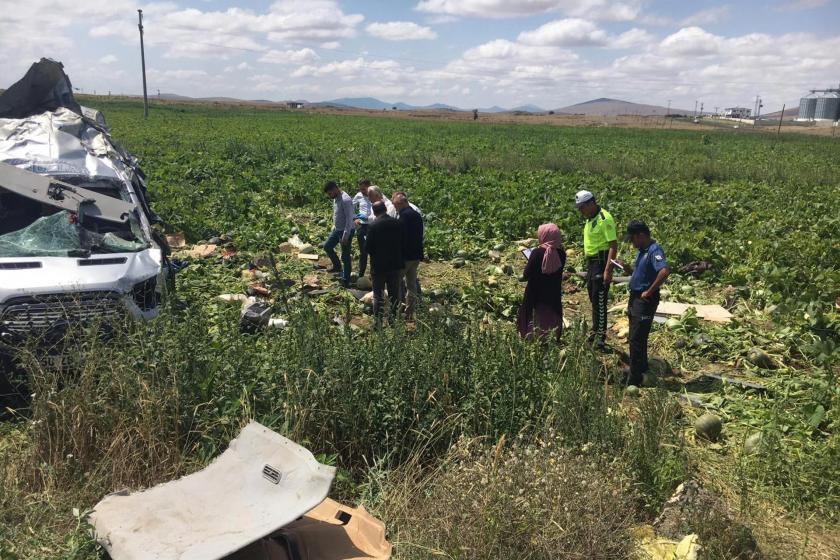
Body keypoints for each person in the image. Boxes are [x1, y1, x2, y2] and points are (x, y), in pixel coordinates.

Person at [625, 220, 670, 386]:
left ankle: (635, 377)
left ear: (641, 236)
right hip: (635, 298)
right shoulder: (642, 251)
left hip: (644, 300)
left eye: (633, 239)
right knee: (637, 336)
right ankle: (641, 368)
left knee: (637, 337)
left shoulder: (654, 250)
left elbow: (664, 271)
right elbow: (641, 273)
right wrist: (627, 269)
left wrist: (649, 291)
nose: (632, 243)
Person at [575, 190, 617, 350]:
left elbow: (613, 245)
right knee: (593, 297)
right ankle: (595, 331)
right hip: (591, 264)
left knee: (600, 300)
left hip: (601, 263)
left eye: (582, 207)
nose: (580, 211)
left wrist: (608, 270)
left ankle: (600, 337)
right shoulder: (590, 219)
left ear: (591, 203)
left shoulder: (604, 219)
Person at [517, 224, 566, 341]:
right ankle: (551, 336)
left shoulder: (536, 253)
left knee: (533, 313)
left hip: (535, 292)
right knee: (550, 313)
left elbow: (526, 274)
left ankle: (530, 335)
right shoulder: (562, 254)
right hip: (553, 292)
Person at [365, 201, 404, 325]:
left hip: (379, 266)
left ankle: (378, 323)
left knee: (378, 296)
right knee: (394, 295)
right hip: (395, 265)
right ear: (385, 209)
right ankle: (393, 321)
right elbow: (404, 242)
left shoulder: (373, 226)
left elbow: (368, 248)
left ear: (375, 212)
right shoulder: (398, 224)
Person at [393, 191, 423, 320]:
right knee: (411, 284)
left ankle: (398, 310)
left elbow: (400, 238)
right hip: (416, 255)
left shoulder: (404, 217)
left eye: (396, 205)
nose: (395, 208)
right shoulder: (417, 214)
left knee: (397, 283)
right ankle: (410, 311)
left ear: (402, 203)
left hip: (405, 257)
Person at [321, 181, 354, 286]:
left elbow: (349, 219)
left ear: (335, 189)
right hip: (337, 229)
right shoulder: (336, 198)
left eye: (330, 193)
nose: (330, 196)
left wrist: (345, 236)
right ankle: (337, 266)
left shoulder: (345, 200)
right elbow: (337, 214)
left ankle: (346, 279)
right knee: (327, 246)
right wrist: (334, 226)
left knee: (345, 256)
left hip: (346, 231)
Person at [353, 179, 372, 277]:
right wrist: (355, 217)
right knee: (363, 251)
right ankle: (361, 273)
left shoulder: (376, 194)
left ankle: (374, 274)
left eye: (364, 189)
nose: (362, 191)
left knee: (374, 251)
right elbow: (350, 206)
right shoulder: (359, 195)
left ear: (369, 186)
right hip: (362, 225)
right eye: (360, 189)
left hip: (373, 225)